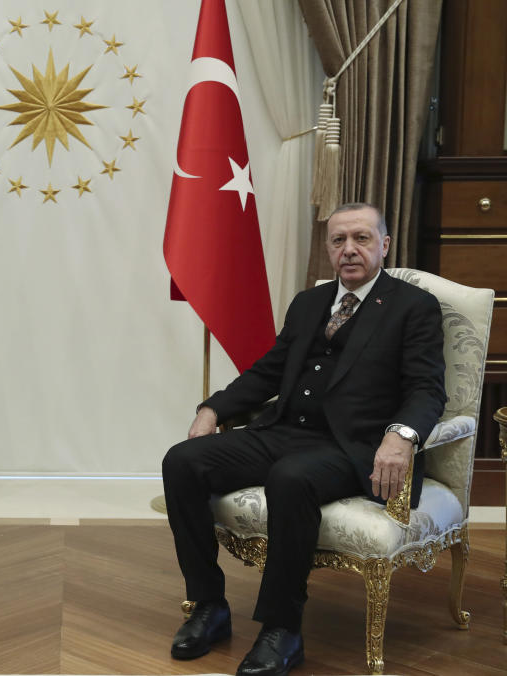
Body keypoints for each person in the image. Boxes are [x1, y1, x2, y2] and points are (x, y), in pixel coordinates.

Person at [162, 203, 446, 676]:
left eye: (361, 238)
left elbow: (427, 388)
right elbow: (270, 371)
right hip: (283, 431)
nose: (349, 250)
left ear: (385, 245)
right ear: (328, 248)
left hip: (353, 446)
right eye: (339, 240)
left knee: (290, 477)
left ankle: (282, 630)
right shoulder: (308, 303)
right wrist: (213, 408)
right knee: (183, 461)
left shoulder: (412, 307)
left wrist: (402, 435)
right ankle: (209, 605)